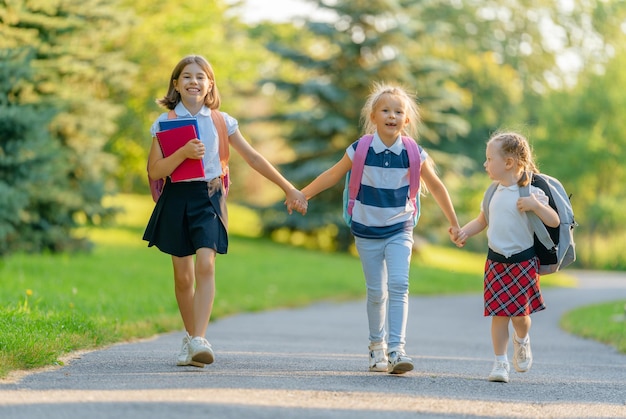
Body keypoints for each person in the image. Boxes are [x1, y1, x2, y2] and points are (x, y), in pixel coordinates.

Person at [143, 55, 307, 368]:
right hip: (177, 198)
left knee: (206, 262)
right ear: (175, 84)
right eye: (187, 76)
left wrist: (289, 188)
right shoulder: (165, 123)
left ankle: (200, 340)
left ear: (210, 85)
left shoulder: (221, 121)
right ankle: (191, 339)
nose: (194, 81)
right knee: (182, 276)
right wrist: (182, 152)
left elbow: (254, 158)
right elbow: (155, 170)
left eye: (201, 76)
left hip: (209, 195)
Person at [298, 83, 461, 374]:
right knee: (376, 293)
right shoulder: (360, 149)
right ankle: (377, 348)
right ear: (373, 116)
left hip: (400, 227)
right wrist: (303, 194)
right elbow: (333, 175)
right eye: (385, 110)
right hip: (366, 229)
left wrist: (454, 222)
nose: (392, 115)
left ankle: (397, 350)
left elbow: (435, 185)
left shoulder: (413, 153)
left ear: (406, 120)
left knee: (399, 285)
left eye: (399, 111)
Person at [453, 132, 559, 383]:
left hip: (523, 263)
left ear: (509, 162)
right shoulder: (492, 192)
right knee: (499, 315)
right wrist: (463, 232)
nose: (485, 164)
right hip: (496, 263)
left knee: (520, 318)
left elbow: (554, 221)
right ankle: (500, 363)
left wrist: (535, 206)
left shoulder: (531, 193)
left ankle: (521, 340)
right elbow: (482, 220)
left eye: (490, 159)